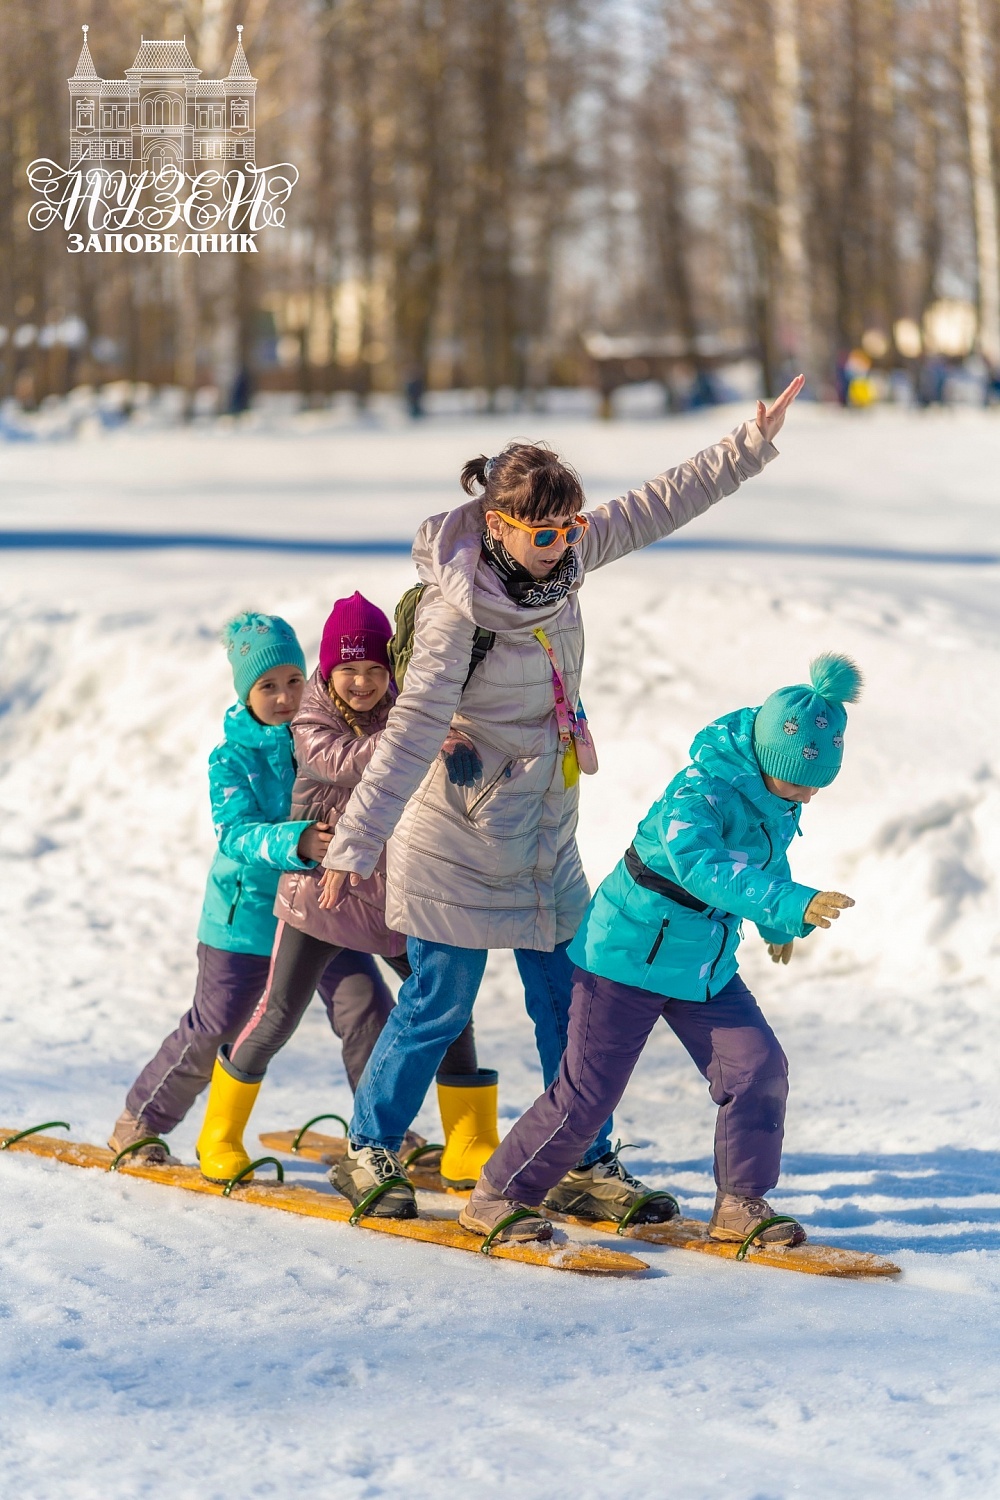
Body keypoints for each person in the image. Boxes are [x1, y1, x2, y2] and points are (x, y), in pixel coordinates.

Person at [318, 376, 806, 1221]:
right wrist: (356, 846)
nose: (562, 545)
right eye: (543, 533)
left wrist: (749, 444)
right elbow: (404, 741)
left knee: (572, 1000)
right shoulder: (454, 618)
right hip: (456, 838)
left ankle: (582, 1155)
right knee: (439, 1002)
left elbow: (659, 503)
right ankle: (369, 1148)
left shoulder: (565, 559)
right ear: (499, 525)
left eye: (570, 528)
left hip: (543, 835)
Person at [458, 654, 861, 1245]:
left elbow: (765, 859)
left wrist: (777, 924)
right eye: (798, 780)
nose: (805, 795)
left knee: (757, 1068)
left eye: (816, 784)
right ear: (766, 757)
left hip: (702, 964)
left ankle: (740, 1204)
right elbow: (703, 867)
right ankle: (498, 1196)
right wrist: (788, 902)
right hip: (627, 953)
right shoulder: (698, 792)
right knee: (587, 1095)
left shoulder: (776, 798)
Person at [194, 593, 482, 1188]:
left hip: (390, 899)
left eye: (376, 670)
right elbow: (350, 761)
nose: (363, 682)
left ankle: (469, 1140)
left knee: (448, 1008)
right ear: (329, 673)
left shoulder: (402, 713)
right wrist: (420, 737)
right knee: (276, 1016)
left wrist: (453, 745)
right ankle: (218, 1133)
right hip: (316, 900)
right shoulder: (310, 721)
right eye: (349, 669)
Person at [109, 611, 394, 1166]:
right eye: (268, 686)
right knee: (218, 1023)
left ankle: (380, 1136)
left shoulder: (325, 735)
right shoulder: (231, 757)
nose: (285, 696)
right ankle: (140, 1120)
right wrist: (300, 841)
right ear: (246, 692)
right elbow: (234, 834)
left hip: (321, 911)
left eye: (294, 680)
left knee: (367, 1010)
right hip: (248, 919)